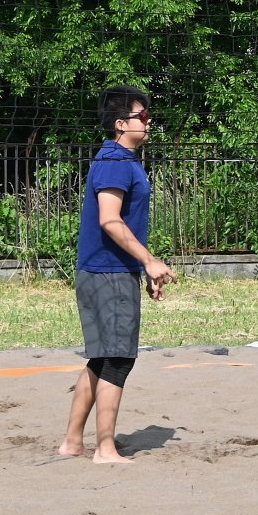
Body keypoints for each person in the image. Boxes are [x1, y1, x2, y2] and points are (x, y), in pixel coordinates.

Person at [57, 85, 176, 463]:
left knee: (101, 358)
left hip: (106, 270)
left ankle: (72, 443)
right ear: (122, 123)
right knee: (118, 359)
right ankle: (104, 448)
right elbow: (109, 220)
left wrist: (141, 267)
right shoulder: (115, 161)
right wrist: (149, 261)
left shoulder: (121, 160)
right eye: (143, 116)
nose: (149, 121)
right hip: (106, 273)